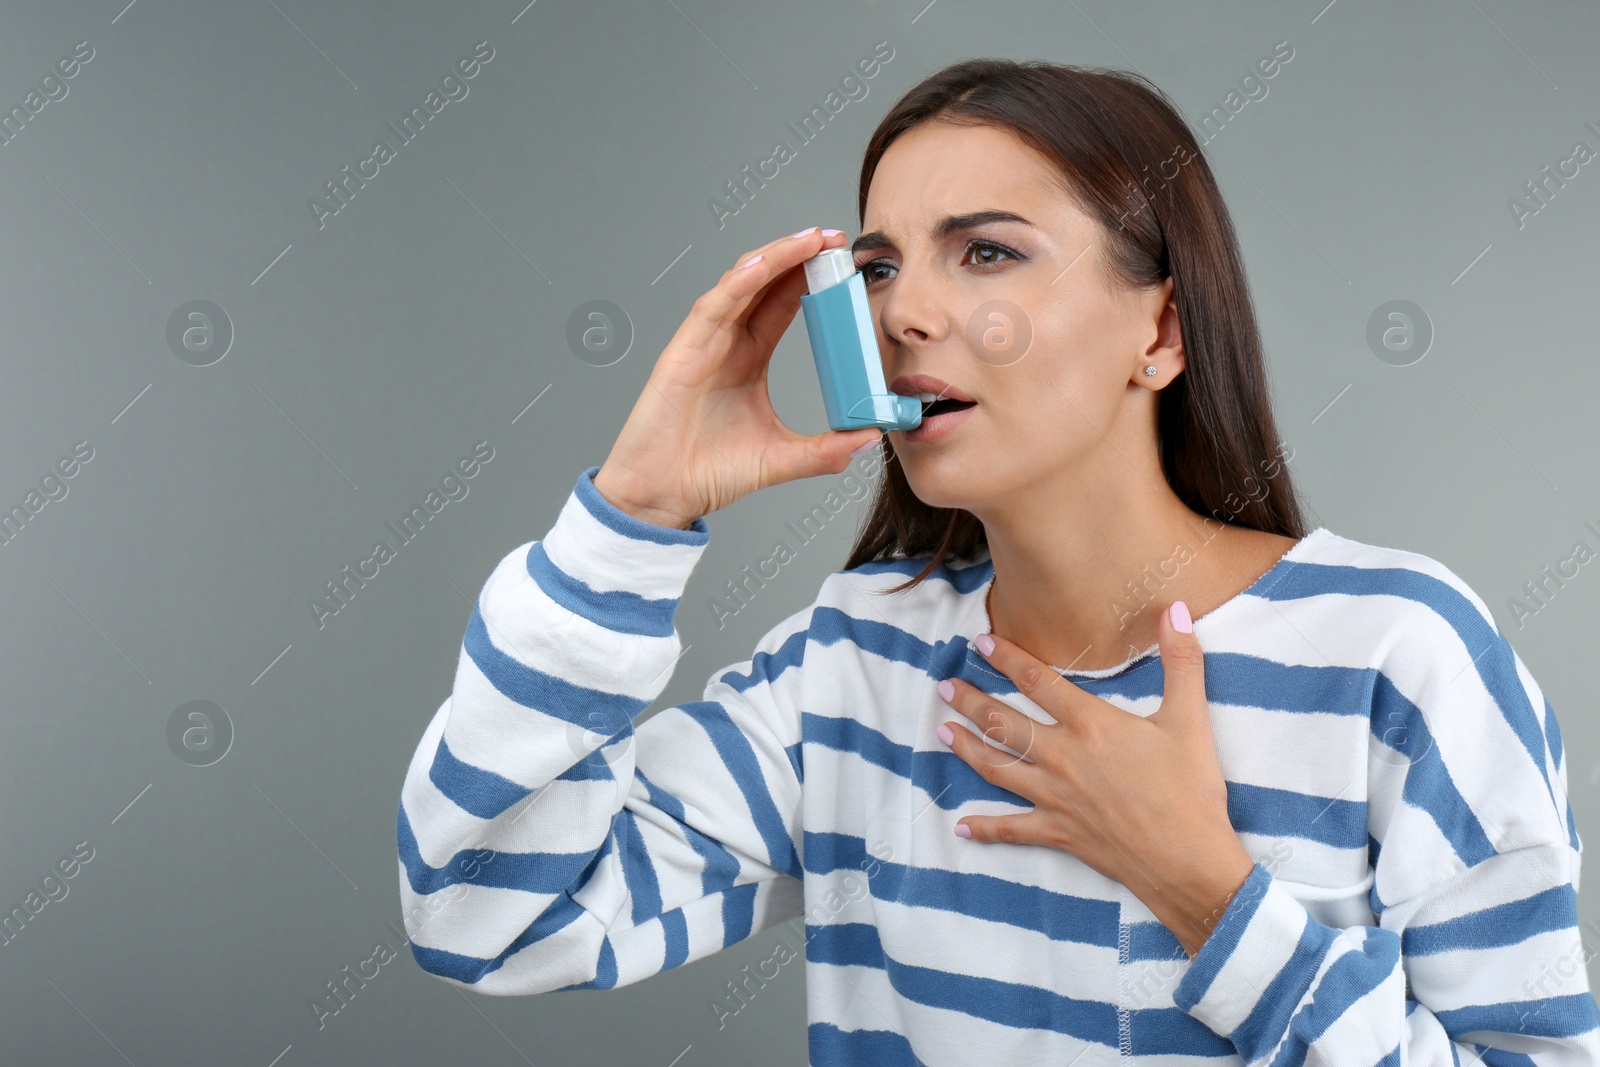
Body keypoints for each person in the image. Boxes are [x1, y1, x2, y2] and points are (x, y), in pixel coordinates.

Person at [395, 57, 1600, 1065]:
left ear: (1161, 331)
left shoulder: (1393, 653)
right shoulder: (858, 660)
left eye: (984, 254)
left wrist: (1207, 892)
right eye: (877, 267)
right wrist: (634, 515)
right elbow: (488, 915)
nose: (903, 311)